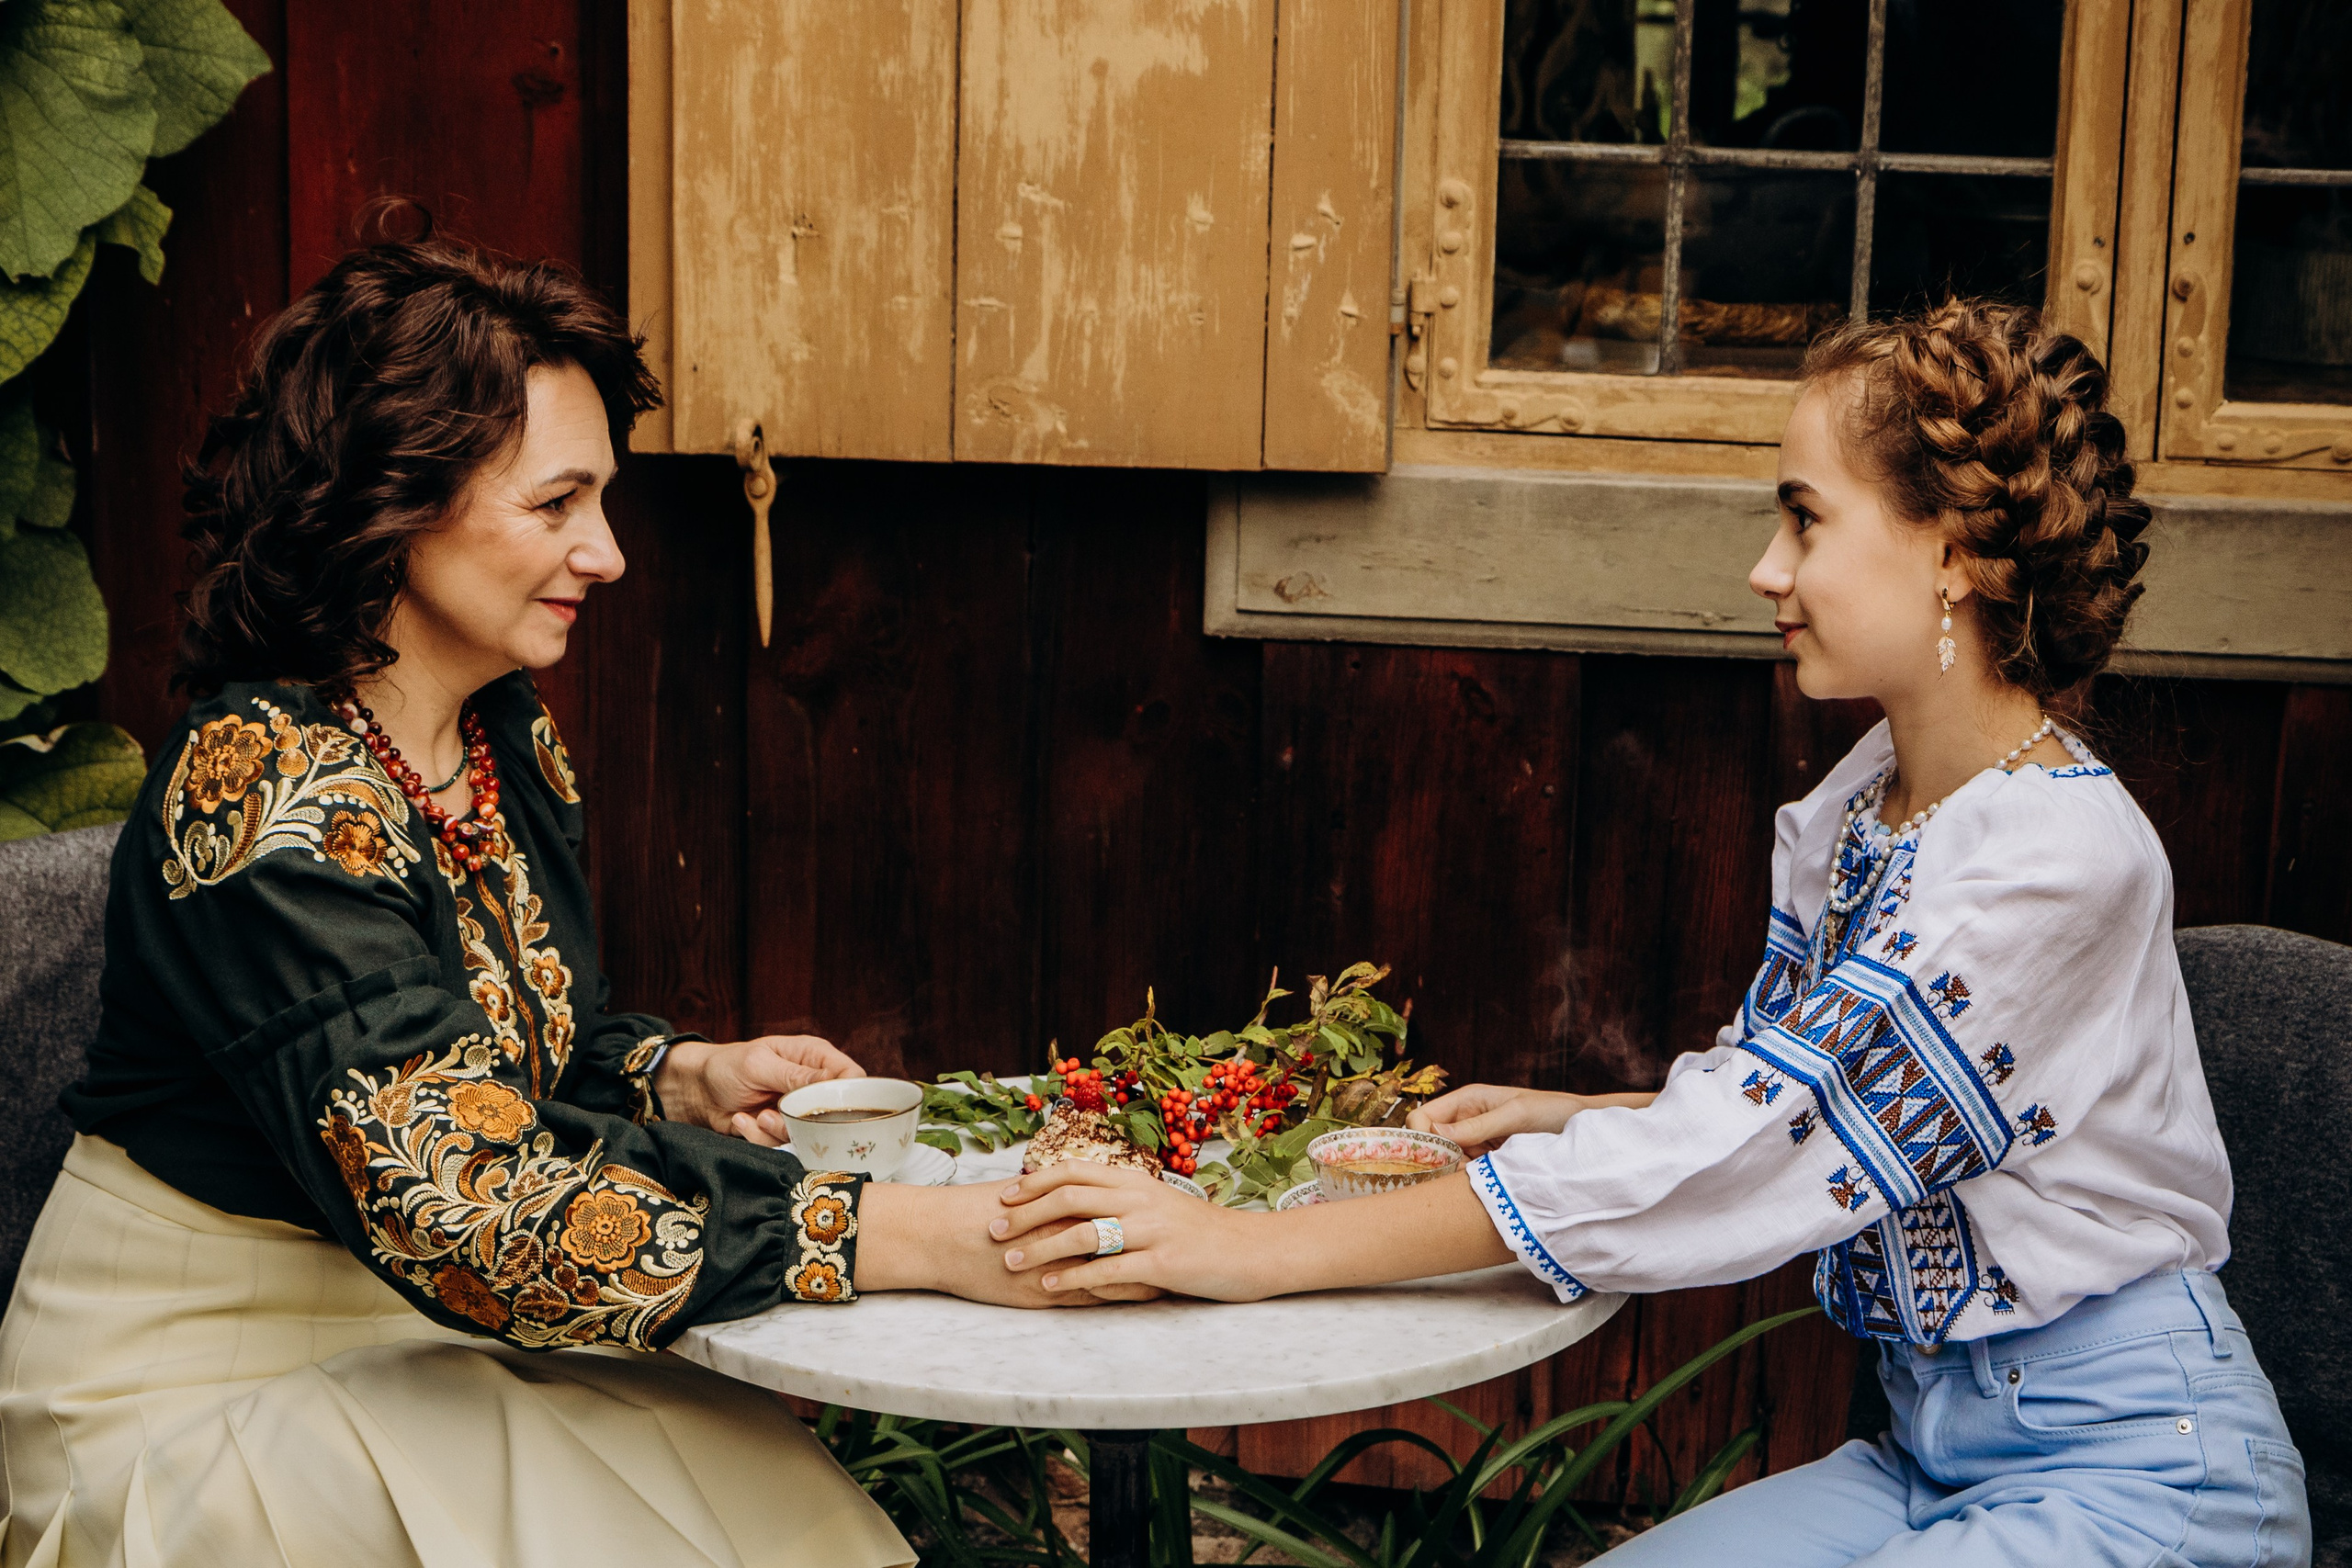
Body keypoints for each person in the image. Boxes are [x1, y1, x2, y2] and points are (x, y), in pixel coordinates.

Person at [990, 300, 2312, 1567]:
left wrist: (1235, 1247)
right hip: (1932, 1447)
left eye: (1805, 519)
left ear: (1956, 550)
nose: (1767, 569)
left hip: (2138, 1475)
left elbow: (1752, 1150)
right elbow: (1800, 1095)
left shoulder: (2054, 860)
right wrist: (1580, 1113)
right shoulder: (1873, 797)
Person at [0, 236, 1104, 1568]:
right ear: (393, 502)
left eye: (604, 502)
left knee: (758, 1501)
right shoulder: (261, 788)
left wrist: (682, 1075)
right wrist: (903, 1230)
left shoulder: (500, 736)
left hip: (415, 1327)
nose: (610, 555)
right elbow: (456, 1196)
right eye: (557, 504)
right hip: (192, 1394)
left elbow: (482, 1052)